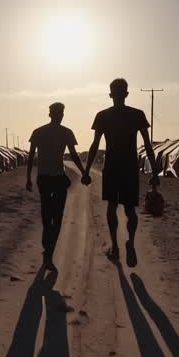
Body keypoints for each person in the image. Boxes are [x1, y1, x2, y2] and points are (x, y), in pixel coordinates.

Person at [84, 78, 159, 267]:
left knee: (112, 207)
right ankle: (130, 243)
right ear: (126, 94)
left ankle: (115, 246)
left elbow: (95, 145)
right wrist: (154, 172)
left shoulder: (103, 116)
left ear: (111, 95)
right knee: (130, 209)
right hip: (129, 168)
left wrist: (86, 171)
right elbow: (148, 145)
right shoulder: (137, 115)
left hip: (112, 168)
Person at [27, 101, 88, 270]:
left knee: (51, 216)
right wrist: (83, 173)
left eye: (60, 113)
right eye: (59, 113)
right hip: (50, 178)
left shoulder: (41, 132)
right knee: (53, 217)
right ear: (56, 114)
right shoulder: (62, 132)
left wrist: (84, 172)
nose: (60, 116)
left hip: (51, 178)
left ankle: (48, 251)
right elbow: (31, 156)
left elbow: (73, 155)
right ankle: (48, 250)